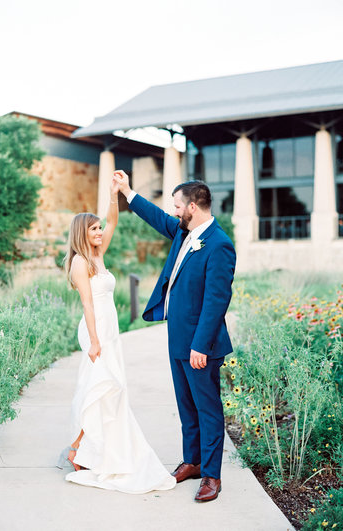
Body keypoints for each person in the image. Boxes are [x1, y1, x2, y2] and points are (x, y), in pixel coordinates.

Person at [114, 171, 236, 502]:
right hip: (177, 339)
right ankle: (193, 462)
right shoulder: (184, 232)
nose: (173, 212)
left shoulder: (220, 245)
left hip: (200, 345)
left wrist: (201, 345)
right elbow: (156, 217)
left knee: (207, 409)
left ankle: (211, 476)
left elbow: (216, 302)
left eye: (177, 206)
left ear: (193, 207)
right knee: (186, 406)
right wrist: (127, 191)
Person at [56, 176, 176, 494]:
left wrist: (114, 195)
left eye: (98, 229)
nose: (99, 232)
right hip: (96, 330)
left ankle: (82, 447)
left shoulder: (98, 254)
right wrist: (95, 341)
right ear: (83, 233)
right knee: (100, 386)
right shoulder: (81, 263)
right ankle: (77, 446)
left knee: (110, 389)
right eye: (93, 229)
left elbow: (113, 220)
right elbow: (87, 305)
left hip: (111, 329)